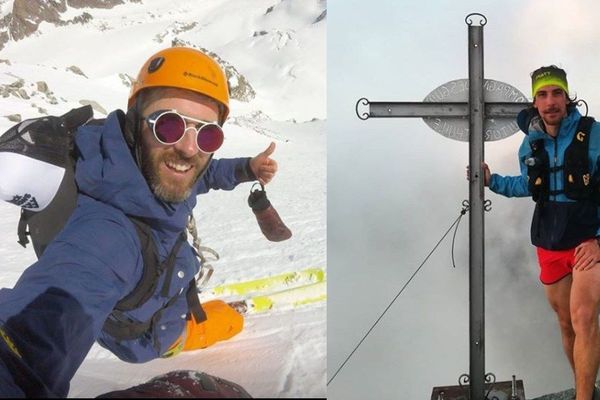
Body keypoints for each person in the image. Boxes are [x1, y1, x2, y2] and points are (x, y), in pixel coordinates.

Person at [0, 46, 279, 397]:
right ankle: (183, 335)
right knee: (225, 324)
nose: (190, 149)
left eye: (208, 134)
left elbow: (202, 175)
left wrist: (245, 169)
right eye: (169, 125)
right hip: (148, 335)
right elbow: (26, 343)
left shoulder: (146, 167)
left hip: (157, 294)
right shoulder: (106, 239)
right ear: (135, 121)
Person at [481, 65, 600, 400]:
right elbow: (528, 184)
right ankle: (585, 385)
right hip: (549, 239)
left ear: (567, 96)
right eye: (543, 94)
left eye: (557, 93)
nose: (551, 102)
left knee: (585, 317)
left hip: (588, 238)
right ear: (535, 101)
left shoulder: (594, 135)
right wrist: (492, 182)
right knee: (566, 323)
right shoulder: (530, 144)